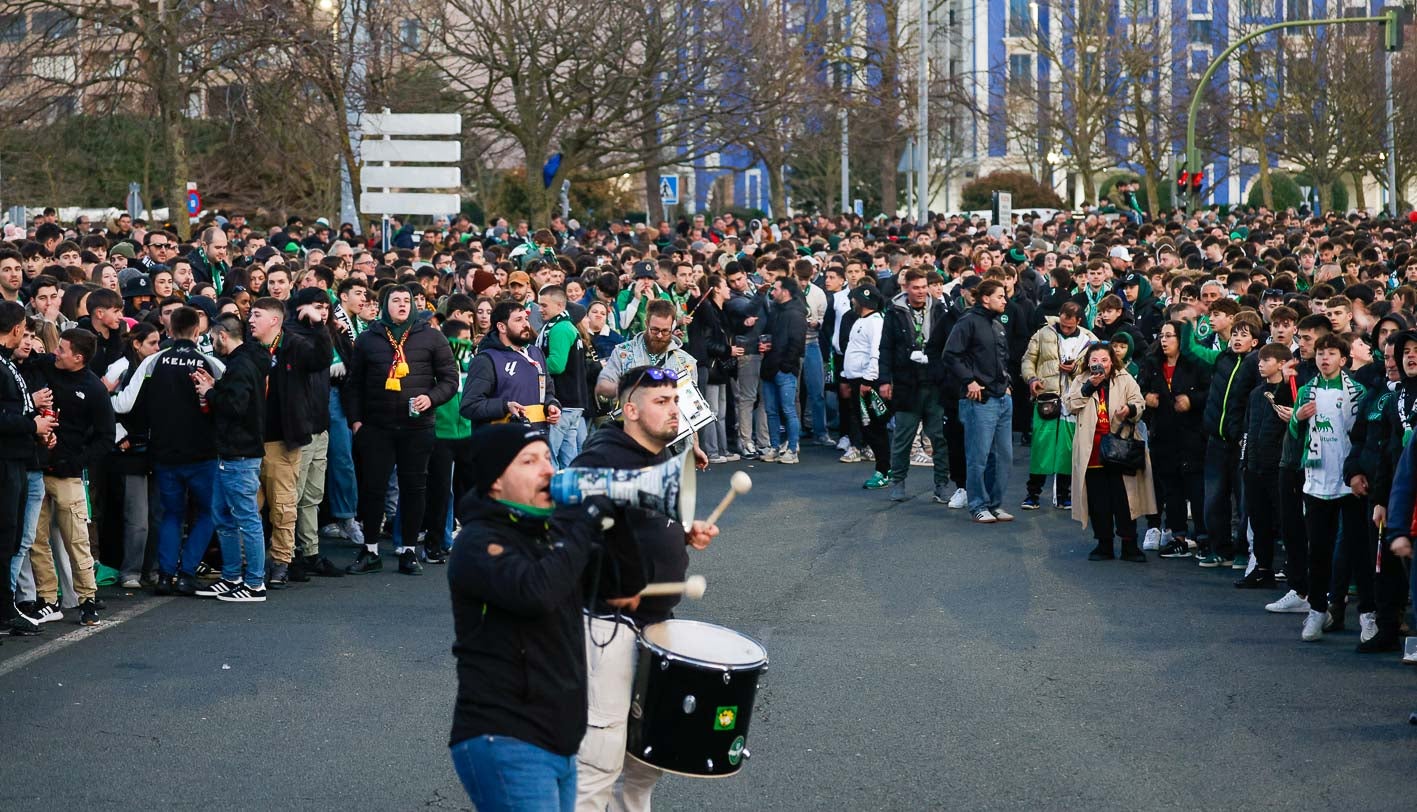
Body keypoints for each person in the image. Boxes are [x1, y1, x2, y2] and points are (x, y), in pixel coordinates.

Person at [573, 366, 718, 812]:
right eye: (661, 401)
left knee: (644, 758)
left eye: (675, 400)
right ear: (630, 409)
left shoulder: (660, 453)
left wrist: (684, 531)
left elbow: (650, 517)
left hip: (656, 622)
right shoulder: (602, 455)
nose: (674, 410)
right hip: (609, 623)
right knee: (599, 758)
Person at [447, 425, 609, 811]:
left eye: (548, 458)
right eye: (529, 461)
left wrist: (615, 524)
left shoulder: (547, 534)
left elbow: (608, 590)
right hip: (507, 736)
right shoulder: (476, 542)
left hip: (559, 737)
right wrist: (580, 523)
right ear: (495, 482)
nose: (548, 470)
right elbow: (535, 592)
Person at [343, 284, 459, 576]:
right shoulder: (368, 338)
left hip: (417, 427)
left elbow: (449, 379)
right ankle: (370, 549)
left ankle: (408, 550)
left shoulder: (432, 336)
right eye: (395, 300)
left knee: (414, 488)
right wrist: (356, 421)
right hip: (376, 427)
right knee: (372, 489)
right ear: (385, 305)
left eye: (406, 300)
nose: (402, 305)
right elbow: (354, 384)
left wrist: (431, 397)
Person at [113, 306, 223, 596]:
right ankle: (186, 572)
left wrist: (106, 394)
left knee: (171, 515)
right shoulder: (211, 364)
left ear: (169, 331)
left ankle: (164, 576)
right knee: (208, 512)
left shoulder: (152, 362)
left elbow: (122, 404)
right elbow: (229, 404)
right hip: (202, 454)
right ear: (197, 331)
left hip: (164, 453)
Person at [26, 328, 114, 626]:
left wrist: (76, 461)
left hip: (68, 476)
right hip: (37, 470)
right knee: (37, 540)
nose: (56, 353)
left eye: (62, 349)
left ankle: (87, 599)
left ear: (78, 357)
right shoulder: (43, 366)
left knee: (76, 540)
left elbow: (106, 438)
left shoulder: (94, 389)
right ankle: (48, 599)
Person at [1292, 333, 1370, 642]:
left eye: (1331, 353)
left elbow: (1363, 435)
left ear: (1343, 358)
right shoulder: (1307, 391)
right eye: (1321, 353)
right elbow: (1294, 433)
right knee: (1319, 552)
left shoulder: (1357, 391)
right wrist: (1298, 418)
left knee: (1358, 550)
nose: (1325, 358)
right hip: (1316, 482)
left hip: (1349, 483)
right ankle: (1316, 611)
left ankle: (1368, 614)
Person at [191, 314, 269, 603]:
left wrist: (210, 391)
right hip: (233, 453)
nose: (211, 343)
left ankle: (254, 584)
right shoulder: (244, 363)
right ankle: (232, 576)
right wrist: (216, 387)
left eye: (212, 338)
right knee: (223, 516)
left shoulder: (240, 366)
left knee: (246, 518)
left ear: (223, 335)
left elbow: (235, 407)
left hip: (240, 454)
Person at [1066, 341, 1153, 562]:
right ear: (1088, 362)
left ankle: (1129, 544)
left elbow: (1139, 402)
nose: (1099, 365)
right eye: (1094, 360)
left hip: (1120, 447)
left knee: (1125, 499)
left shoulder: (1124, 378)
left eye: (1104, 360)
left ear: (1112, 361)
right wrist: (1088, 387)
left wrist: (1130, 409)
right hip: (1092, 450)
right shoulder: (1081, 380)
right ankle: (1103, 543)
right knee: (1098, 501)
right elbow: (1069, 405)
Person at [0, 301, 55, 636]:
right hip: (5, 463)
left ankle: (6, 609)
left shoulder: (8, 364)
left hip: (17, 461)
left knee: (11, 537)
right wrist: (31, 427)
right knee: (5, 536)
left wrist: (37, 427)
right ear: (17, 328)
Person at [944, 279, 1015, 524]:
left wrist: (1008, 384)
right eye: (1000, 296)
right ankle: (977, 505)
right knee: (979, 456)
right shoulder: (968, 321)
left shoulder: (996, 324)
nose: (1005, 300)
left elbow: (1002, 359)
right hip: (979, 400)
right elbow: (951, 354)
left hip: (1002, 398)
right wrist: (969, 381)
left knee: (1003, 456)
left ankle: (995, 504)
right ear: (986, 298)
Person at [879, 267, 951, 502]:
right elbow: (886, 348)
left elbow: (948, 344)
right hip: (906, 382)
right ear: (907, 288)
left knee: (939, 437)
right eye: (916, 288)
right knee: (903, 436)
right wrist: (884, 380)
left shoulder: (940, 309)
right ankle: (897, 481)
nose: (921, 292)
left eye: (923, 287)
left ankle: (941, 484)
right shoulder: (894, 311)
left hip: (934, 382)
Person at [1139, 320, 1209, 557]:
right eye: (1161, 335)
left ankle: (1202, 536)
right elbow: (1141, 387)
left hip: (1191, 434)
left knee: (1196, 489)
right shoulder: (1153, 363)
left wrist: (1192, 401)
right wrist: (1147, 397)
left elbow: (1209, 392)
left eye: (1169, 335)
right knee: (1172, 488)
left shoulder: (1195, 364)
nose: (1164, 340)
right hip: (1163, 434)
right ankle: (1178, 535)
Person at [1020, 302, 1095, 510]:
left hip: (1073, 400)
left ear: (1079, 321)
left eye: (1070, 326)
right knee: (1041, 446)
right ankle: (1032, 494)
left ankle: (1064, 495)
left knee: (1067, 449)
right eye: (1062, 324)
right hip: (1047, 397)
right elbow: (1028, 360)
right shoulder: (1043, 333)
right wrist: (1032, 379)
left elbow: (1094, 367)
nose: (1065, 328)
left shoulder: (1089, 340)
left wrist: (1074, 369)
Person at [463, 300, 562, 432]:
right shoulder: (486, 360)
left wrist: (552, 405)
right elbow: (469, 406)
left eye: (526, 318)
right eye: (518, 320)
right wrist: (505, 406)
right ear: (502, 327)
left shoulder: (536, 353)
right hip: (503, 441)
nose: (526, 324)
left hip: (537, 439)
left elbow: (547, 392)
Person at [841, 285, 891, 489]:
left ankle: (884, 471)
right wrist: (845, 376)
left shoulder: (875, 322)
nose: (852, 302)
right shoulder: (861, 321)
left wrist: (868, 381)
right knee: (867, 427)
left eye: (854, 299)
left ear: (862, 301)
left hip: (866, 384)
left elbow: (876, 353)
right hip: (857, 381)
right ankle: (883, 469)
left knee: (874, 428)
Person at [537, 285, 590, 466]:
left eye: (544, 305)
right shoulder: (568, 326)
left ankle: (552, 492)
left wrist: (532, 364)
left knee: (549, 457)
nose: (540, 310)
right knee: (569, 459)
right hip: (574, 403)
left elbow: (557, 365)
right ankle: (571, 492)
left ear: (560, 305)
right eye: (539, 305)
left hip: (562, 404)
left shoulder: (559, 328)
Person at [758, 276, 806, 464]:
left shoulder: (796, 313)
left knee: (788, 409)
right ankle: (775, 446)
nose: (773, 292)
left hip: (783, 369)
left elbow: (797, 343)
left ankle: (792, 449)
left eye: (776, 289)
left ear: (785, 291)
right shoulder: (776, 311)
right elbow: (769, 334)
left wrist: (785, 366)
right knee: (771, 410)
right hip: (770, 366)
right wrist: (765, 344)